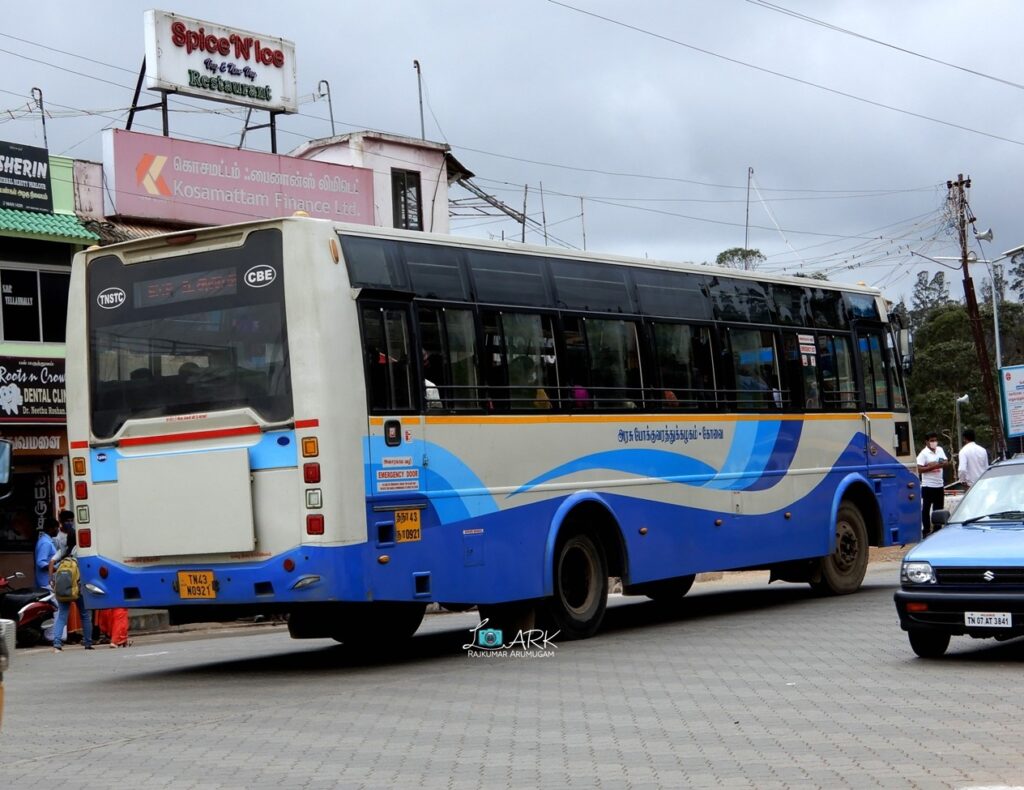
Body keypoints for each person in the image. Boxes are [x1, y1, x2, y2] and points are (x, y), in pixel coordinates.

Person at [49, 513, 93, 653]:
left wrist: (52, 580)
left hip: (64, 584)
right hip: (79, 585)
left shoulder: (62, 548)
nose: (70, 523)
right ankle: (87, 642)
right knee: (85, 614)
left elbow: (52, 562)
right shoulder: (80, 551)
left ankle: (56, 644)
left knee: (62, 613)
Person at [917, 432, 948, 536]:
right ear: (926, 442)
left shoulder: (940, 450)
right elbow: (919, 469)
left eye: (935, 440)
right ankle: (926, 530)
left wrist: (940, 464)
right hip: (928, 486)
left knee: (938, 509)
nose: (934, 442)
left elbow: (946, 462)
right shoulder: (923, 453)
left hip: (939, 484)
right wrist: (933, 466)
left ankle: (937, 529)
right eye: (931, 440)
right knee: (926, 508)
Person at [34, 519, 58, 590]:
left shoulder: (46, 541)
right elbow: (40, 562)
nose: (58, 530)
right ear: (51, 529)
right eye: (56, 528)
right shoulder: (46, 543)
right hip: (46, 583)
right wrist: (55, 569)